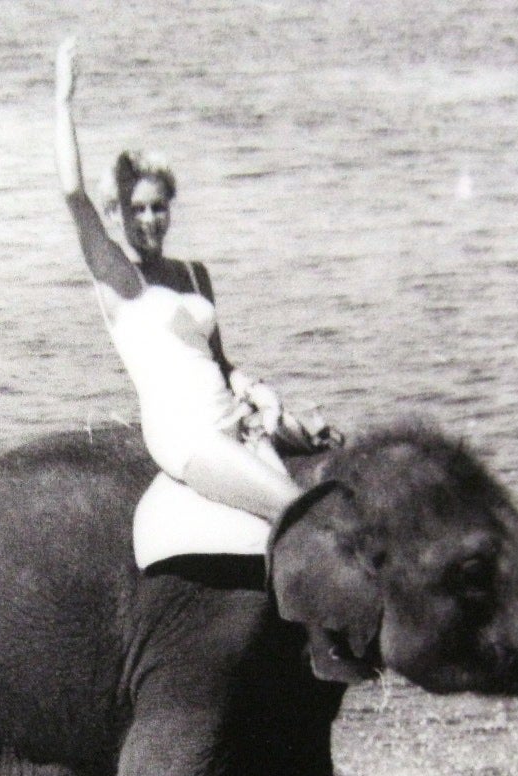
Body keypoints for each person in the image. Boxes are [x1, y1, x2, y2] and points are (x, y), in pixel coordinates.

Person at [53, 36, 331, 526]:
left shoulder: (194, 275)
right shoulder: (120, 278)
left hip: (232, 418)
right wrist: (63, 98)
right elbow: (74, 193)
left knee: (336, 461)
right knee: (297, 513)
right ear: (117, 213)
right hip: (188, 438)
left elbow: (220, 362)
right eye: (136, 209)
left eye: (158, 206)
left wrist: (259, 392)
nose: (150, 219)